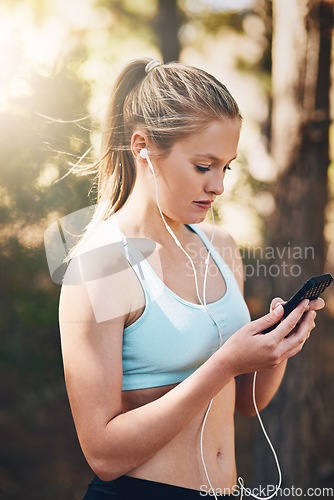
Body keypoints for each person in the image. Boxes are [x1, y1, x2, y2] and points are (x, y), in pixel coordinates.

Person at [59, 58, 324, 500]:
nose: (218, 185)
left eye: (227, 167)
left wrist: (278, 348)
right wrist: (224, 363)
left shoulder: (221, 247)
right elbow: (103, 456)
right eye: (204, 166)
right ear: (142, 146)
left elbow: (246, 402)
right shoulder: (104, 266)